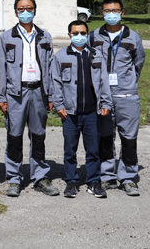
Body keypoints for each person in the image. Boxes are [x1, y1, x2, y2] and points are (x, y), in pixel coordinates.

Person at [0, 0, 59, 197]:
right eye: (21, 9)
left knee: (38, 136)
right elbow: (1, 69)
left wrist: (50, 95)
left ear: (35, 10)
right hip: (16, 94)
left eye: (29, 8)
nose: (25, 12)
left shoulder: (45, 36)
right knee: (14, 136)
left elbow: (50, 68)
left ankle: (40, 176)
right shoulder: (7, 37)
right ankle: (14, 178)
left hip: (39, 92)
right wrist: (2, 97)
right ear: (16, 12)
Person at [90, 0, 145, 197]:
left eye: (115, 11)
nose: (111, 14)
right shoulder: (94, 36)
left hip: (127, 95)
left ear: (122, 13)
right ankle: (107, 175)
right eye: (107, 11)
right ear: (102, 13)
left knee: (128, 137)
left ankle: (128, 177)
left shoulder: (133, 37)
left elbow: (138, 64)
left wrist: (127, 82)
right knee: (105, 137)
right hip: (103, 96)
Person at [50, 20, 112, 198]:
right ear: (69, 35)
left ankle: (94, 181)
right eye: (75, 33)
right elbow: (55, 82)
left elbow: (104, 80)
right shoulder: (60, 56)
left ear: (87, 34)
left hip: (92, 112)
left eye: (83, 33)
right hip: (70, 113)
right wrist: (59, 105)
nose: (79, 36)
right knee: (70, 150)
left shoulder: (96, 55)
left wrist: (106, 103)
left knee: (93, 150)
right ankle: (71, 181)